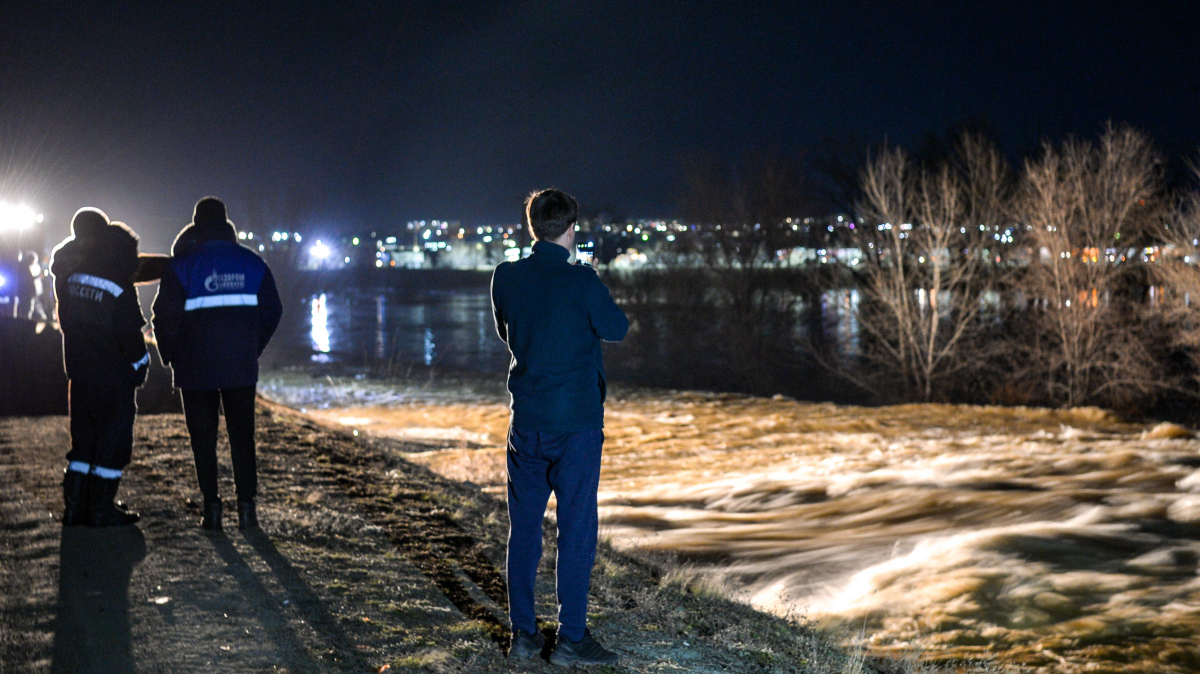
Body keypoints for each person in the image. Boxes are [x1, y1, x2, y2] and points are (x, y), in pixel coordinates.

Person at [490, 189, 629, 666]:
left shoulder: (505, 277)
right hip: (577, 426)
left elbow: (507, 331)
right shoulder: (582, 281)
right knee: (576, 530)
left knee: (523, 531)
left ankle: (524, 636)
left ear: (533, 228)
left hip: (526, 422)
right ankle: (570, 639)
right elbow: (617, 328)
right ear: (571, 229)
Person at [152, 197, 282, 530]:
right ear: (227, 224)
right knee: (242, 437)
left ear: (195, 225)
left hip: (195, 369)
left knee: (203, 440)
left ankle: (212, 509)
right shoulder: (252, 263)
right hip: (240, 367)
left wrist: (172, 355)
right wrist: (253, 347)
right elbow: (273, 310)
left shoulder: (181, 265)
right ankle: (247, 510)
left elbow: (163, 317)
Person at [50, 208, 149, 527]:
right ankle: (101, 508)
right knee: (113, 442)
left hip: (79, 373)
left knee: (83, 442)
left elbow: (67, 322)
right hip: (113, 377)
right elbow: (129, 335)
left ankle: (75, 508)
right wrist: (140, 363)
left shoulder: (71, 277)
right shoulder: (117, 285)